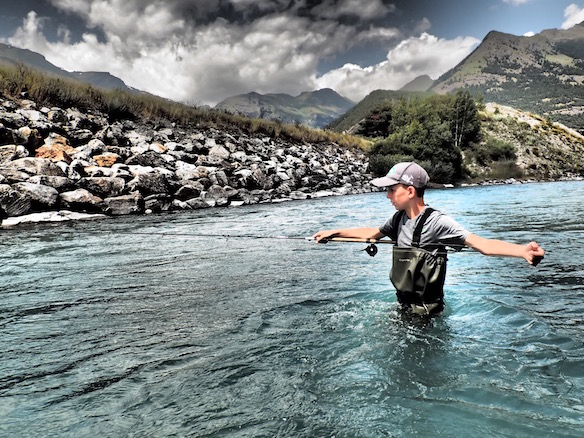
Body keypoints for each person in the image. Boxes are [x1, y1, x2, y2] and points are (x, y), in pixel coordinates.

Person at [312, 162, 545, 316]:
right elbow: (372, 233)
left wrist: (522, 251)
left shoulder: (438, 222)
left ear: (410, 191)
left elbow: (481, 244)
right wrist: (334, 232)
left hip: (428, 316)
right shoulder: (398, 219)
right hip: (403, 308)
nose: (387, 195)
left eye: (392, 189)